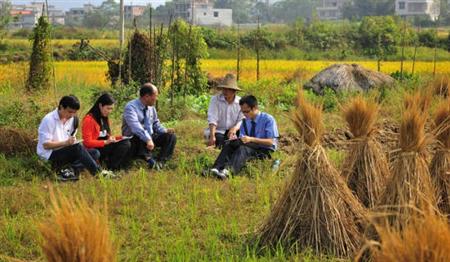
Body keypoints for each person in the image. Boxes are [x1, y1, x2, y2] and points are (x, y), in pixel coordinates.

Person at [37, 95, 113, 181]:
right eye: (69, 112)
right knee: (77, 148)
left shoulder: (73, 119)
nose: (71, 115)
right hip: (50, 155)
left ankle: (69, 170)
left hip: (65, 152)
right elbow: (46, 145)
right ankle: (98, 173)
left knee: (95, 153)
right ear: (61, 107)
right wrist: (66, 143)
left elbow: (71, 138)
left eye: (74, 112)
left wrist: (71, 142)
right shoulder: (49, 120)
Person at [210, 95, 279, 179]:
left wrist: (251, 139)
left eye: (246, 111)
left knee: (243, 149)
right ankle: (216, 168)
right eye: (242, 112)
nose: (244, 114)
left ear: (255, 108)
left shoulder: (268, 119)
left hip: (265, 150)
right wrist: (235, 139)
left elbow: (271, 142)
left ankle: (228, 172)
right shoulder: (245, 121)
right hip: (250, 146)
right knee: (229, 144)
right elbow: (243, 138)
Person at [122, 83, 176, 169]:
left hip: (149, 137)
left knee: (171, 136)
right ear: (147, 96)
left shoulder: (151, 108)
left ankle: (161, 161)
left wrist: (165, 130)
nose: (156, 99)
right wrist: (148, 139)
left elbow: (155, 124)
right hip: (135, 138)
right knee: (140, 134)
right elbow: (135, 127)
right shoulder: (130, 107)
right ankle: (149, 159)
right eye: (155, 96)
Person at [82, 93, 131, 171]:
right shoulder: (89, 119)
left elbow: (107, 135)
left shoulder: (104, 118)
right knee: (125, 144)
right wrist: (105, 142)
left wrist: (119, 138)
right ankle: (111, 168)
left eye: (111, 109)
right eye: (108, 108)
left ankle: (118, 166)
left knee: (127, 141)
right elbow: (87, 142)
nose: (110, 111)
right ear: (100, 105)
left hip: (104, 147)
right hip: (95, 149)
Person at [206, 73, 244, 148]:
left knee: (241, 140)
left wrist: (235, 128)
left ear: (234, 91)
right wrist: (212, 136)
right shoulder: (215, 100)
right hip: (219, 131)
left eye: (228, 89)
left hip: (234, 131)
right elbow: (212, 119)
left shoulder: (240, 102)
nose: (225, 91)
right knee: (220, 141)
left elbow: (242, 119)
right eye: (224, 88)